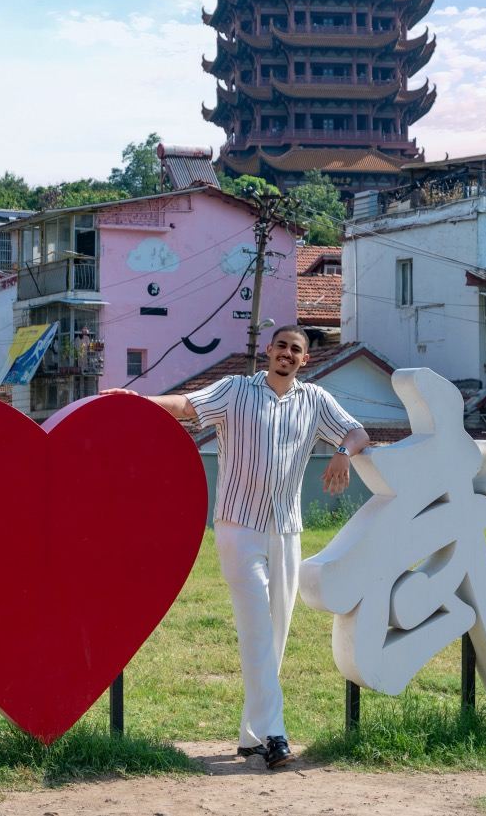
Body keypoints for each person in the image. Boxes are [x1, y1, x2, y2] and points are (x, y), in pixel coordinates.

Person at [101, 325, 370, 769]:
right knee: (257, 628)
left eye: (296, 350)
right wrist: (137, 401)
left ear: (305, 360)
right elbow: (188, 406)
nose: (287, 353)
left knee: (277, 631)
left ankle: (250, 737)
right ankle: (277, 735)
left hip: (286, 529)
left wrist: (342, 451)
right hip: (238, 526)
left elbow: (358, 432)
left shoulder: (315, 401)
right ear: (268, 350)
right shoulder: (236, 390)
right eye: (281, 346)